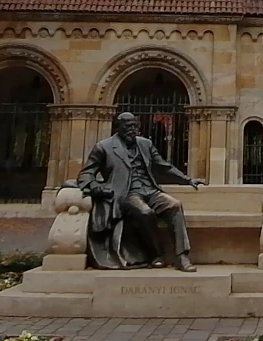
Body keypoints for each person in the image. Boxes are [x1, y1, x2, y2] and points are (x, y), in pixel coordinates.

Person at [77, 112, 205, 271]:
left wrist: (187, 179)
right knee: (145, 212)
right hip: (126, 194)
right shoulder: (104, 147)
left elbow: (163, 166)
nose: (133, 129)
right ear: (118, 127)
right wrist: (96, 186)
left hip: (150, 190)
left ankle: (181, 257)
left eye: (135, 126)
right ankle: (156, 254)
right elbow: (86, 174)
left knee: (174, 205)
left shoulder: (145, 144)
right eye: (128, 126)